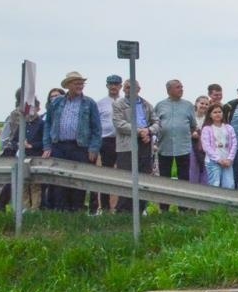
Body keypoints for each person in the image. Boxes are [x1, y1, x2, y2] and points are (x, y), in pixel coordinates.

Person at [42, 72, 102, 211]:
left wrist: (94, 148)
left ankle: (76, 210)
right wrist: (47, 146)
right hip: (59, 146)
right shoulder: (57, 102)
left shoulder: (89, 103)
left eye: (81, 84)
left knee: (78, 181)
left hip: (80, 147)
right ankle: (60, 211)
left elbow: (96, 128)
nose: (80, 86)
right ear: (68, 85)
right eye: (76, 84)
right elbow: (48, 124)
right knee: (59, 180)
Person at [151, 79, 197, 192]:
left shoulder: (188, 105)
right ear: (169, 90)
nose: (181, 89)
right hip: (165, 147)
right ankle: (164, 206)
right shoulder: (160, 105)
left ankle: (184, 208)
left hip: (183, 148)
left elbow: (193, 125)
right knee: (165, 178)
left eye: (181, 87)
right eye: (178, 87)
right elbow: (154, 123)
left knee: (184, 177)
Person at [111, 79, 155, 185]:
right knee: (126, 179)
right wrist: (139, 131)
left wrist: (148, 130)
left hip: (145, 143)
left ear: (138, 89)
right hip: (127, 145)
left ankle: (142, 202)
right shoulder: (118, 104)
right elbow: (119, 124)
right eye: (126, 87)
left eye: (132, 87)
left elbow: (157, 122)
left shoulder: (147, 104)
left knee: (144, 178)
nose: (129, 90)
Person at [95, 75, 122, 212]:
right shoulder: (100, 103)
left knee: (123, 172)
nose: (113, 86)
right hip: (107, 140)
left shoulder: (125, 102)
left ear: (120, 86)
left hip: (123, 140)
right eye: (111, 84)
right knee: (106, 173)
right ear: (107, 86)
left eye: (116, 84)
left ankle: (120, 206)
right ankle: (104, 206)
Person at [199, 103, 238, 189]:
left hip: (227, 161)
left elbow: (234, 144)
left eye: (219, 112)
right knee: (214, 184)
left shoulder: (229, 128)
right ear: (210, 115)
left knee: (229, 185)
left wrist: (230, 159)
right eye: (215, 112)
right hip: (213, 162)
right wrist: (218, 159)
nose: (218, 114)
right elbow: (206, 147)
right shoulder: (207, 129)